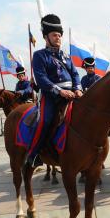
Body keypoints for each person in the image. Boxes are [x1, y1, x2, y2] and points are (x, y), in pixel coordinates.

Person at [26, 13, 82, 168]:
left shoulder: (66, 56)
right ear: (46, 37)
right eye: (54, 35)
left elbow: (75, 74)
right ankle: (34, 154)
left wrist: (77, 89)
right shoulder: (39, 56)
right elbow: (41, 78)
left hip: (72, 94)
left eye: (59, 35)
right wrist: (59, 91)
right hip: (51, 96)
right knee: (45, 120)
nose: (58, 38)